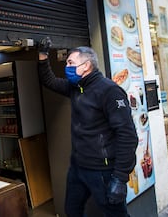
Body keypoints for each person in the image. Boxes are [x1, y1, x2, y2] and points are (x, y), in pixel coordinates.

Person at [38, 37, 138, 217]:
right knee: (72, 210)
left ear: (86, 66)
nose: (66, 66)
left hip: (103, 171)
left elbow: (127, 135)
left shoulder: (109, 91)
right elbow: (49, 81)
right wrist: (43, 56)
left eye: (70, 62)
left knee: (115, 214)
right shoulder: (76, 88)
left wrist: (120, 178)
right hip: (78, 167)